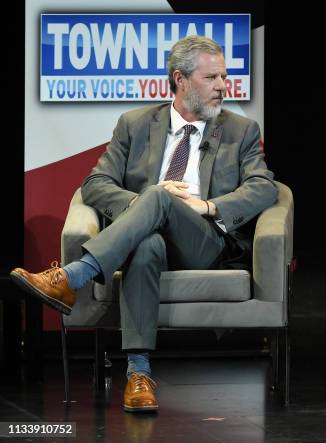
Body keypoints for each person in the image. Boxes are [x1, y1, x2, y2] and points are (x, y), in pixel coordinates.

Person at [10, 36, 278, 412]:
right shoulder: (134, 124)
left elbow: (264, 188)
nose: (222, 86)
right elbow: (95, 184)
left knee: (159, 196)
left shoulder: (240, 130)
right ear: (180, 79)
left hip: (203, 243)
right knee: (148, 237)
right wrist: (144, 204)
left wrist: (207, 206)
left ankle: (71, 278)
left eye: (224, 77)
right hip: (143, 239)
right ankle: (138, 373)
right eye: (212, 77)